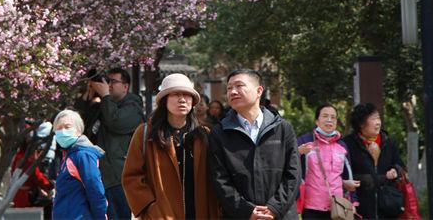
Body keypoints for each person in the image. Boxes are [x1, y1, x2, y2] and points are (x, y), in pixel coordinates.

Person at [122, 73, 221, 219]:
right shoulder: (146, 133)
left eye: (187, 95)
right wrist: (150, 207)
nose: (182, 99)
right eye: (175, 94)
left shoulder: (203, 134)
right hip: (162, 215)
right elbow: (131, 177)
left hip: (199, 213)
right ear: (164, 100)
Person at [208, 69, 301, 220]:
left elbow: (293, 174)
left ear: (259, 91)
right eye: (229, 88)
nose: (233, 91)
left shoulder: (282, 128)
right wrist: (247, 211)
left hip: (280, 215)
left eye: (239, 86)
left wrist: (274, 208)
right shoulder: (220, 133)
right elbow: (219, 179)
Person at [90, 67, 144, 220]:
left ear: (125, 86)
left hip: (120, 178)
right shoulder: (104, 106)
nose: (108, 85)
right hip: (102, 177)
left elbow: (115, 123)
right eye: (107, 81)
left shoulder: (134, 108)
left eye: (113, 81)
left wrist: (105, 96)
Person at [343, 103, 405, 219]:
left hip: (386, 207)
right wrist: (365, 179)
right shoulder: (347, 144)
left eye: (378, 118)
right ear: (361, 124)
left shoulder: (387, 142)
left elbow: (400, 165)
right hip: (359, 208)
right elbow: (342, 173)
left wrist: (395, 170)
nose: (378, 122)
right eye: (373, 119)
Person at [296, 104, 359, 219]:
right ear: (317, 121)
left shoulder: (342, 145)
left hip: (337, 206)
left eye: (333, 117)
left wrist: (352, 200)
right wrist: (298, 152)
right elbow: (288, 162)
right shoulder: (305, 141)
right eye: (325, 116)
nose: (329, 120)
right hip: (311, 206)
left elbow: (348, 175)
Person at [51, 109, 108, 220]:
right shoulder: (68, 156)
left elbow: (95, 189)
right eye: (58, 128)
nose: (62, 131)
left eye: (67, 127)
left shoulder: (83, 155)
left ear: (78, 130)